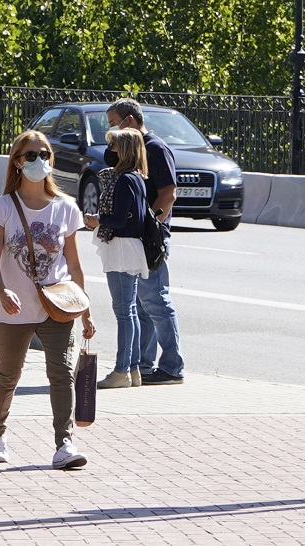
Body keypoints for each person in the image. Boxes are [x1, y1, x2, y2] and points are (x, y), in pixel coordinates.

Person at [0, 130, 96, 469]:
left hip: (57, 305)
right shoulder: (3, 207)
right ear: (17, 162)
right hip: (13, 307)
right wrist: (2, 292)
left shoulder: (66, 208)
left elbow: (74, 264)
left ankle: (64, 444)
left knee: (61, 373)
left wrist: (86, 311)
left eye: (44, 154)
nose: (38, 161)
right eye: (30, 155)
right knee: (8, 374)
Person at [106, 99, 185, 385]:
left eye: (113, 123)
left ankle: (172, 367)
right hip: (139, 236)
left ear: (129, 121)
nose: (111, 130)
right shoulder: (136, 151)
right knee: (142, 303)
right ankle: (143, 364)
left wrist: (151, 226)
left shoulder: (155, 148)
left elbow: (168, 194)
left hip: (150, 237)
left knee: (155, 300)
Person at [84, 128, 149, 388]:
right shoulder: (137, 178)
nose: (108, 151)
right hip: (130, 247)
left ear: (123, 151)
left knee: (124, 312)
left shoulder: (124, 180)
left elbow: (119, 219)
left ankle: (121, 370)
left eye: (113, 146)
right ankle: (132, 370)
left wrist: (97, 220)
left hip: (121, 247)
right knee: (129, 311)